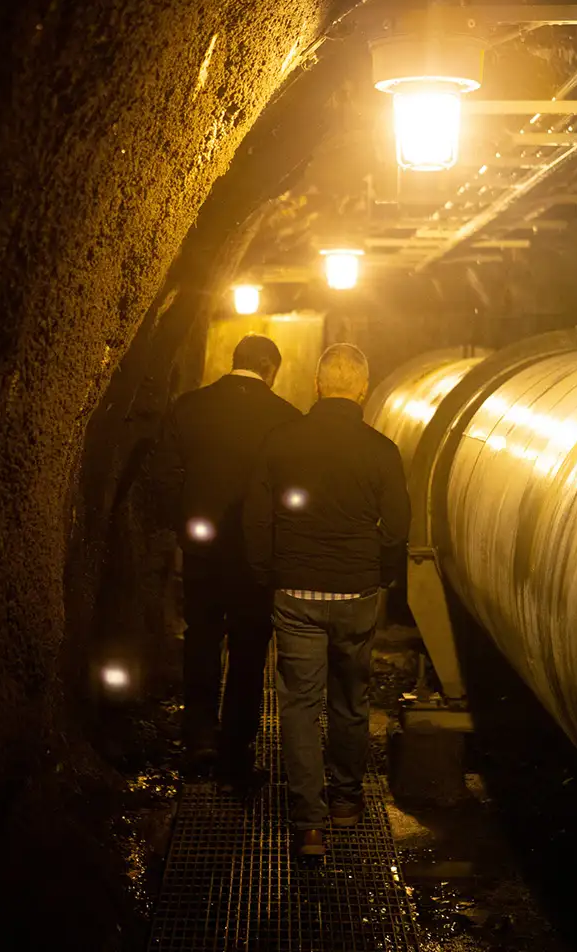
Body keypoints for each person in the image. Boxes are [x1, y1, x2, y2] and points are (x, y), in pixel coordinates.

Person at [243, 343, 409, 857]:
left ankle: (308, 822)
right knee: (350, 700)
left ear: (317, 386)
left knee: (298, 705)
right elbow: (398, 528)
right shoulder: (382, 450)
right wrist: (377, 576)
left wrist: (269, 573)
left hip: (295, 593)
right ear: (362, 388)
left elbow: (257, 518)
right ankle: (345, 801)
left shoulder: (281, 441)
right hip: (357, 593)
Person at [154, 334, 301, 791]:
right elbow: (293, 495)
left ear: (232, 362)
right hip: (255, 557)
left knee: (200, 638)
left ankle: (199, 738)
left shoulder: (189, 408)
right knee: (248, 649)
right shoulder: (286, 420)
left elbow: (163, 475)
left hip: (202, 550)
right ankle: (236, 749)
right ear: (270, 369)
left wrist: (183, 523)